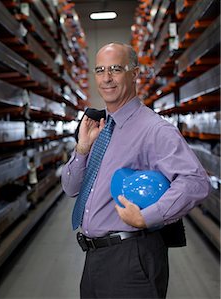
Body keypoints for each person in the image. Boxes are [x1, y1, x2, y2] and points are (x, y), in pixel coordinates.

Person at [61, 42, 211, 298]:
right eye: (100, 70)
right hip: (95, 259)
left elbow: (195, 181)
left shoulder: (154, 129)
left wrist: (148, 217)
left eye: (115, 69)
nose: (106, 78)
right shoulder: (100, 128)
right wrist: (82, 149)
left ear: (135, 74)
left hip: (131, 259)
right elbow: (71, 188)